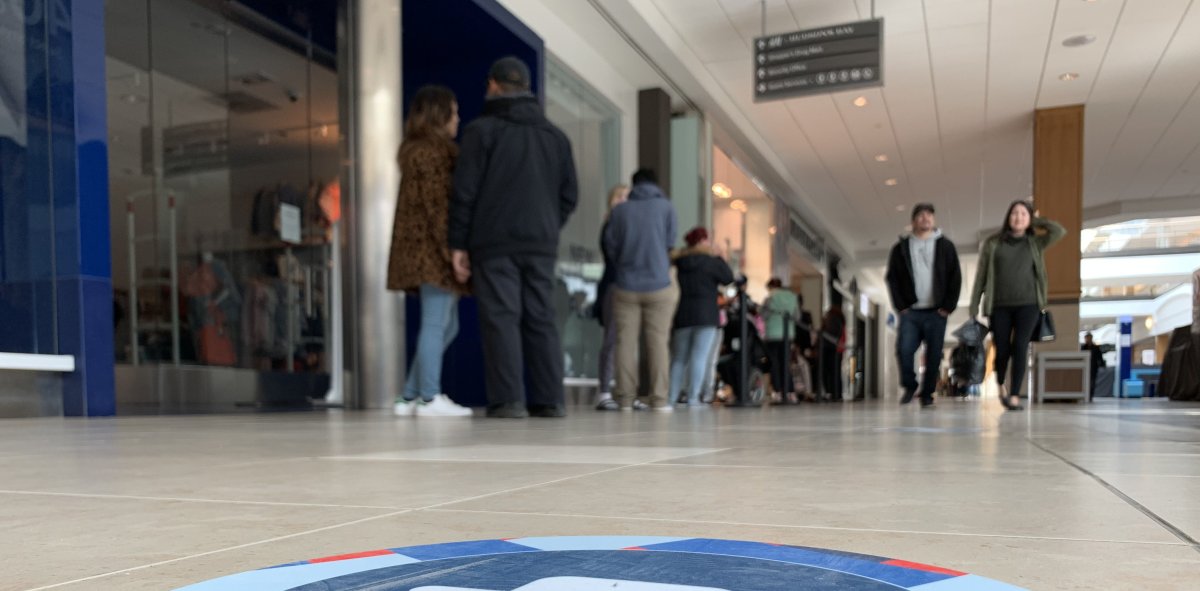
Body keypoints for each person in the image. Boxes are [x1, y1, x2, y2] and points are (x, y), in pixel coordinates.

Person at [448, 57, 579, 419]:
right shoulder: (556, 137)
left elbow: (465, 192)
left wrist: (458, 243)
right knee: (542, 317)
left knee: (501, 317)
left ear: (492, 85)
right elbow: (570, 195)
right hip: (540, 243)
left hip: (494, 243)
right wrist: (549, 223)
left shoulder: (481, 132)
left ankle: (508, 401)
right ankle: (549, 400)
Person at [386, 85, 472, 417]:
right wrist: (455, 249)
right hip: (432, 251)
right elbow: (439, 209)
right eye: (453, 110)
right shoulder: (435, 154)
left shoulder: (415, 152)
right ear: (440, 115)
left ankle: (409, 396)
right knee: (437, 324)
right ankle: (429, 397)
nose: (458, 118)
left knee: (444, 325)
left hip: (419, 251)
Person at [970, 200, 1066, 411]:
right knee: (1002, 349)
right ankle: (1001, 383)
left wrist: (1037, 220)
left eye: (1024, 214)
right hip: (999, 305)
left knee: (1021, 346)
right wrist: (974, 305)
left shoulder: (1035, 242)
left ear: (1029, 218)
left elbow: (1059, 231)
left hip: (1029, 304)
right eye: (1015, 213)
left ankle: (1014, 395)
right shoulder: (993, 243)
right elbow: (981, 276)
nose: (1019, 217)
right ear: (1008, 217)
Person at [604, 168, 678, 411]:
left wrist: (625, 265)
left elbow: (610, 245)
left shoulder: (620, 211)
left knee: (625, 342)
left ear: (634, 185)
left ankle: (625, 399)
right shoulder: (666, 208)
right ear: (656, 184)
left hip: (626, 285)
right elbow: (669, 243)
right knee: (657, 342)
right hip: (659, 285)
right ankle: (658, 400)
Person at [884, 203, 963, 408]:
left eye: (929, 215)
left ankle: (927, 394)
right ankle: (910, 385)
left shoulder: (946, 246)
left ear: (933, 220)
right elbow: (892, 278)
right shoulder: (901, 248)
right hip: (910, 311)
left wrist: (948, 306)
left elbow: (955, 277)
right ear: (913, 221)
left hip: (937, 311)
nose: (925, 219)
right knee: (904, 349)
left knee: (934, 354)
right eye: (920, 215)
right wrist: (900, 306)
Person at [668, 227, 734, 406]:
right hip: (706, 316)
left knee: (679, 358)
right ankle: (693, 397)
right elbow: (728, 278)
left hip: (683, 314)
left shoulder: (680, 261)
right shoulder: (711, 262)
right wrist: (721, 257)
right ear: (702, 241)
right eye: (708, 239)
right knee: (700, 357)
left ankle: (671, 397)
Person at [593, 184, 630, 411]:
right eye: (620, 197)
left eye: (627, 197)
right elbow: (614, 254)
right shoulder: (611, 225)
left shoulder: (625, 224)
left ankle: (623, 389)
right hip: (614, 285)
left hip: (628, 285)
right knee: (611, 339)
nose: (623, 201)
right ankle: (604, 390)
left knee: (625, 342)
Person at [762, 278, 800, 404]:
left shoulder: (770, 298)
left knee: (774, 364)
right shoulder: (793, 297)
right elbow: (797, 317)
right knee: (785, 363)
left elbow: (763, 315)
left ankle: (777, 392)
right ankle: (790, 392)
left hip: (772, 335)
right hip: (787, 334)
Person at [819, 300, 846, 401]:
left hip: (830, 349)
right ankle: (837, 393)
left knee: (829, 372)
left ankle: (831, 393)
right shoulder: (841, 320)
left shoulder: (832, 319)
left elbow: (828, 334)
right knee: (836, 372)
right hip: (837, 349)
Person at [1082, 332, 1106, 400]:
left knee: (1092, 382)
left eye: (1089, 338)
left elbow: (1099, 357)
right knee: (1085, 381)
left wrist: (1102, 364)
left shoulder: (1096, 348)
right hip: (1085, 368)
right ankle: (1085, 395)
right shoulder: (1083, 347)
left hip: (1093, 368)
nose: (1088, 339)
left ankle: (1090, 395)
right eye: (1086, 338)